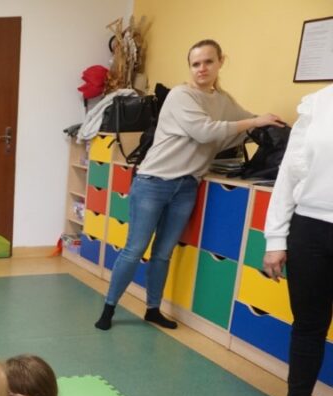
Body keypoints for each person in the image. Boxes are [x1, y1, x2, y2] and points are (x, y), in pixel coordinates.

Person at [95, 39, 283, 331]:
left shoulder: (223, 100)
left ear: (221, 61)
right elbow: (204, 132)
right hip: (153, 182)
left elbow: (244, 120)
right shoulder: (182, 95)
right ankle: (108, 309)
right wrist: (253, 122)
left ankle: (153, 309)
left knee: (163, 252)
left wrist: (268, 122)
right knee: (135, 249)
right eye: (196, 64)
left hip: (186, 186)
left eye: (208, 61)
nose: (202, 69)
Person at [250, 84, 333, 396]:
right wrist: (275, 240)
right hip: (309, 226)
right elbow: (288, 175)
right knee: (307, 324)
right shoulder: (317, 103)